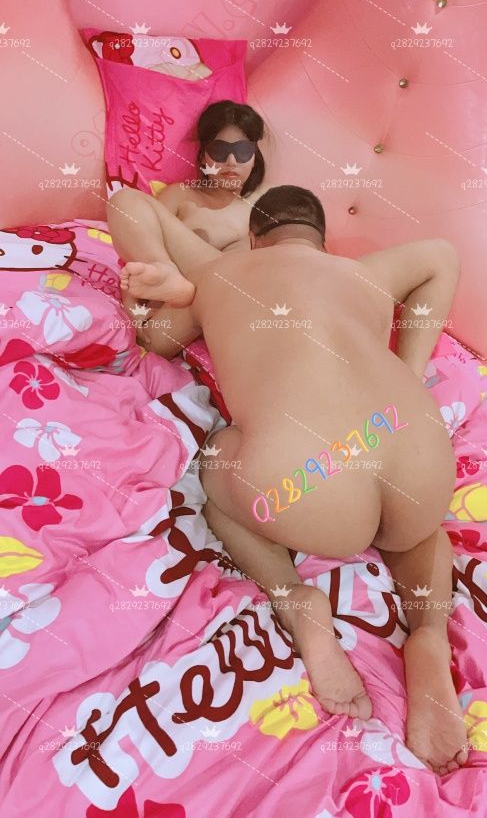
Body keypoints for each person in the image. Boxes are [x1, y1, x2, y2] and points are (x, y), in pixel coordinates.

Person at [113, 184, 465, 776]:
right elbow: (442, 257)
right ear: (322, 241)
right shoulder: (365, 274)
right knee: (420, 530)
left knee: (218, 463)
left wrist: (165, 285)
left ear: (255, 237)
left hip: (304, 487)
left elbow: (130, 216)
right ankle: (429, 632)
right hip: (416, 456)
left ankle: (294, 598)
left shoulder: (221, 271)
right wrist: (408, 372)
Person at [107, 99, 266, 357]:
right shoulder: (181, 195)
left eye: (243, 151)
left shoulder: (264, 206)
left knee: (237, 264)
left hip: (222, 302)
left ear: (255, 157)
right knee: (123, 200)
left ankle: (181, 282)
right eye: (219, 150)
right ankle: (167, 271)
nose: (231, 161)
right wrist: (132, 308)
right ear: (203, 156)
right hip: (166, 324)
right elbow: (136, 247)